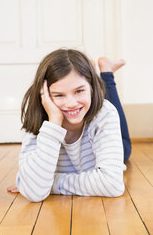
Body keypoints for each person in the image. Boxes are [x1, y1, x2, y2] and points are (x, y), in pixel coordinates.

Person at [7, 49, 131, 202]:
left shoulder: (104, 114)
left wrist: (47, 183)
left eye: (79, 91)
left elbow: (112, 184)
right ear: (43, 96)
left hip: (103, 142)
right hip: (89, 156)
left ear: (91, 88)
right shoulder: (37, 118)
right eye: (59, 95)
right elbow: (34, 193)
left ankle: (106, 72)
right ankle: (96, 70)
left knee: (124, 148)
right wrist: (53, 124)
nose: (71, 103)